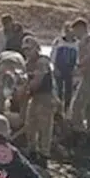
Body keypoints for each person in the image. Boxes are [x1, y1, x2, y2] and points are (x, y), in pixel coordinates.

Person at [21, 37, 56, 166]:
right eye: (25, 49)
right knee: (30, 125)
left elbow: (37, 80)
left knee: (44, 127)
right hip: (34, 97)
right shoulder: (27, 63)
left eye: (29, 49)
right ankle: (32, 151)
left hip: (45, 97)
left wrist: (26, 89)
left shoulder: (42, 62)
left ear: (36, 48)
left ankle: (44, 155)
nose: (27, 52)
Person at [49, 23, 79, 110]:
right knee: (58, 89)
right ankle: (58, 108)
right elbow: (53, 55)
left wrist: (76, 69)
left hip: (70, 69)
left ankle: (67, 108)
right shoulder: (58, 41)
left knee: (69, 90)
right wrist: (55, 68)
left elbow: (78, 58)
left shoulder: (77, 44)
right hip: (59, 68)